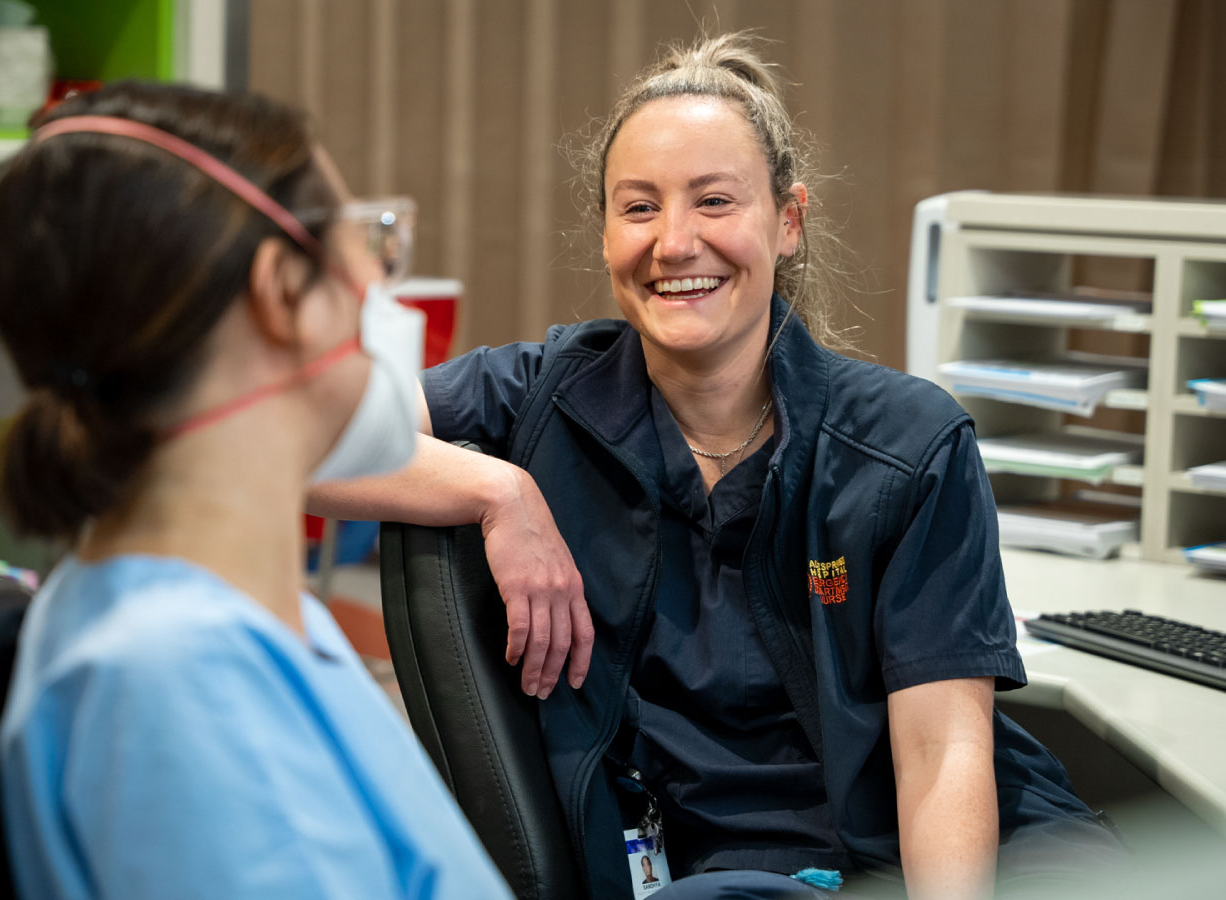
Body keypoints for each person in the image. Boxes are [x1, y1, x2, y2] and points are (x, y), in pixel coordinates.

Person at [311, 32, 1127, 900]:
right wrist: (496, 488)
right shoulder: (544, 395)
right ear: (604, 233)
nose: (674, 242)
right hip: (725, 877)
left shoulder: (907, 447)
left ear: (788, 220)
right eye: (638, 207)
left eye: (714, 201)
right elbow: (286, 437)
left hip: (950, 860)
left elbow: (940, 754)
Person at [0, 82, 513, 899]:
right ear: (280, 290)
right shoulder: (171, 688)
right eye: (369, 250)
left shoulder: (244, 613)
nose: (383, 295)